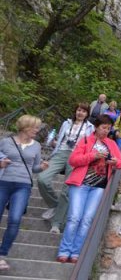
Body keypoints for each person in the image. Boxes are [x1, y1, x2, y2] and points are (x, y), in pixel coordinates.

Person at [56, 115, 121, 264]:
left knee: (87, 220)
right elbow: (73, 160)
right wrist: (92, 156)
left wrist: (115, 161)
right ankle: (64, 250)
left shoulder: (112, 144)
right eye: (103, 127)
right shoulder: (86, 140)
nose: (106, 131)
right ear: (96, 127)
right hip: (80, 184)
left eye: (109, 128)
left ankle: (76, 252)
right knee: (74, 218)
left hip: (98, 187)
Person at [0, 115, 49, 270]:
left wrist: (42, 167)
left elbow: (34, 168)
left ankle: (2, 255)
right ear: (26, 127)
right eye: (35, 127)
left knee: (15, 219)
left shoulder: (37, 146)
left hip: (23, 186)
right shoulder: (5, 142)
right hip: (3, 183)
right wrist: (1, 163)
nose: (37, 130)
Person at [38, 103, 94, 234]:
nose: (80, 113)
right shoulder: (66, 123)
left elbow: (89, 145)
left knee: (66, 191)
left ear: (87, 114)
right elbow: (60, 138)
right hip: (61, 153)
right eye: (79, 110)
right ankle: (54, 204)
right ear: (75, 111)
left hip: (76, 156)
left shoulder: (90, 127)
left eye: (84, 111)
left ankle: (56, 224)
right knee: (42, 178)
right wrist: (54, 143)